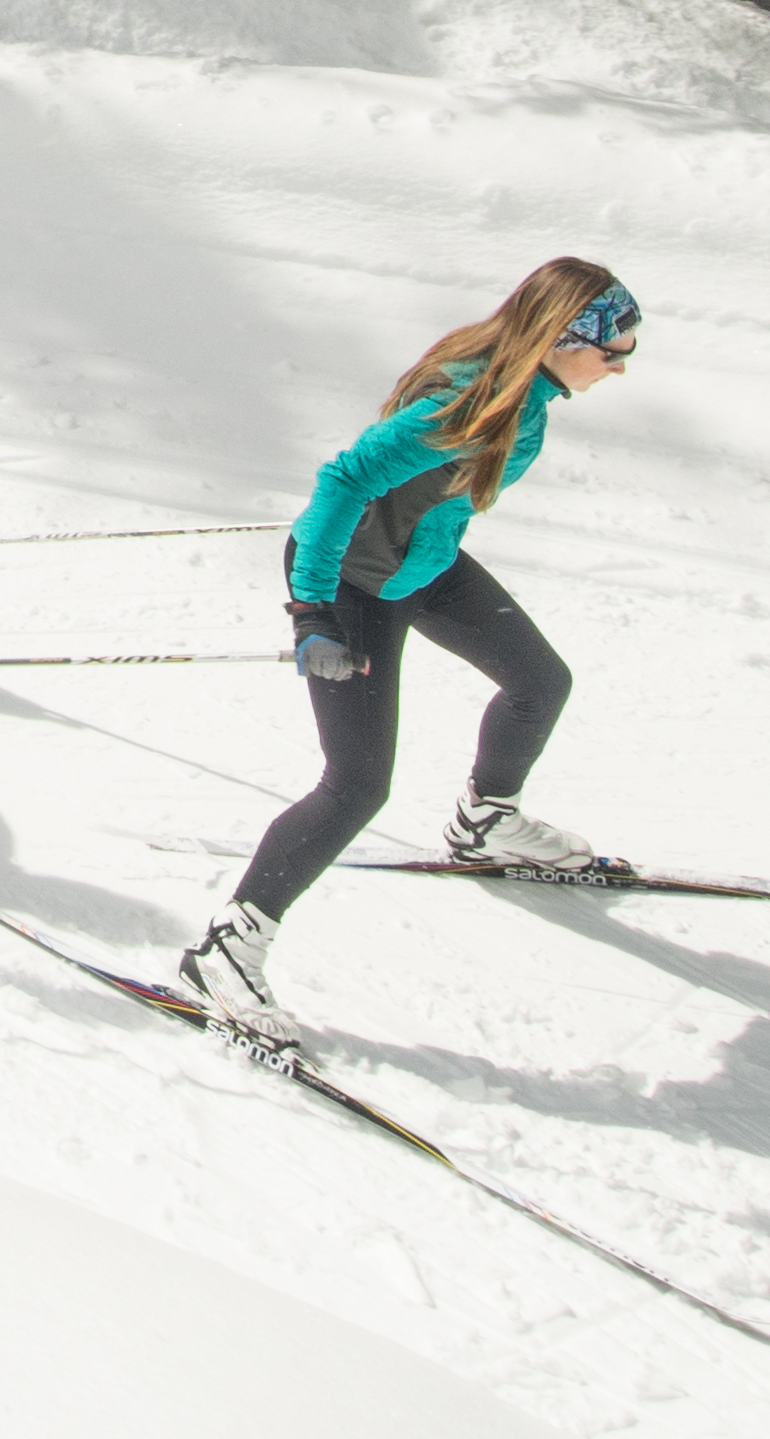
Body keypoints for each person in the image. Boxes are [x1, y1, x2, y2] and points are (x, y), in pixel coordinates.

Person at [175, 257, 643, 1030]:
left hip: (419, 565)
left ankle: (486, 821)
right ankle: (226, 949)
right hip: (352, 583)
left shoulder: (526, 391)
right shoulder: (473, 397)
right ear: (560, 339)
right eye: (612, 351)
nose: (620, 367)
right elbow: (342, 483)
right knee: (355, 786)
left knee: (538, 683)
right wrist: (312, 613)